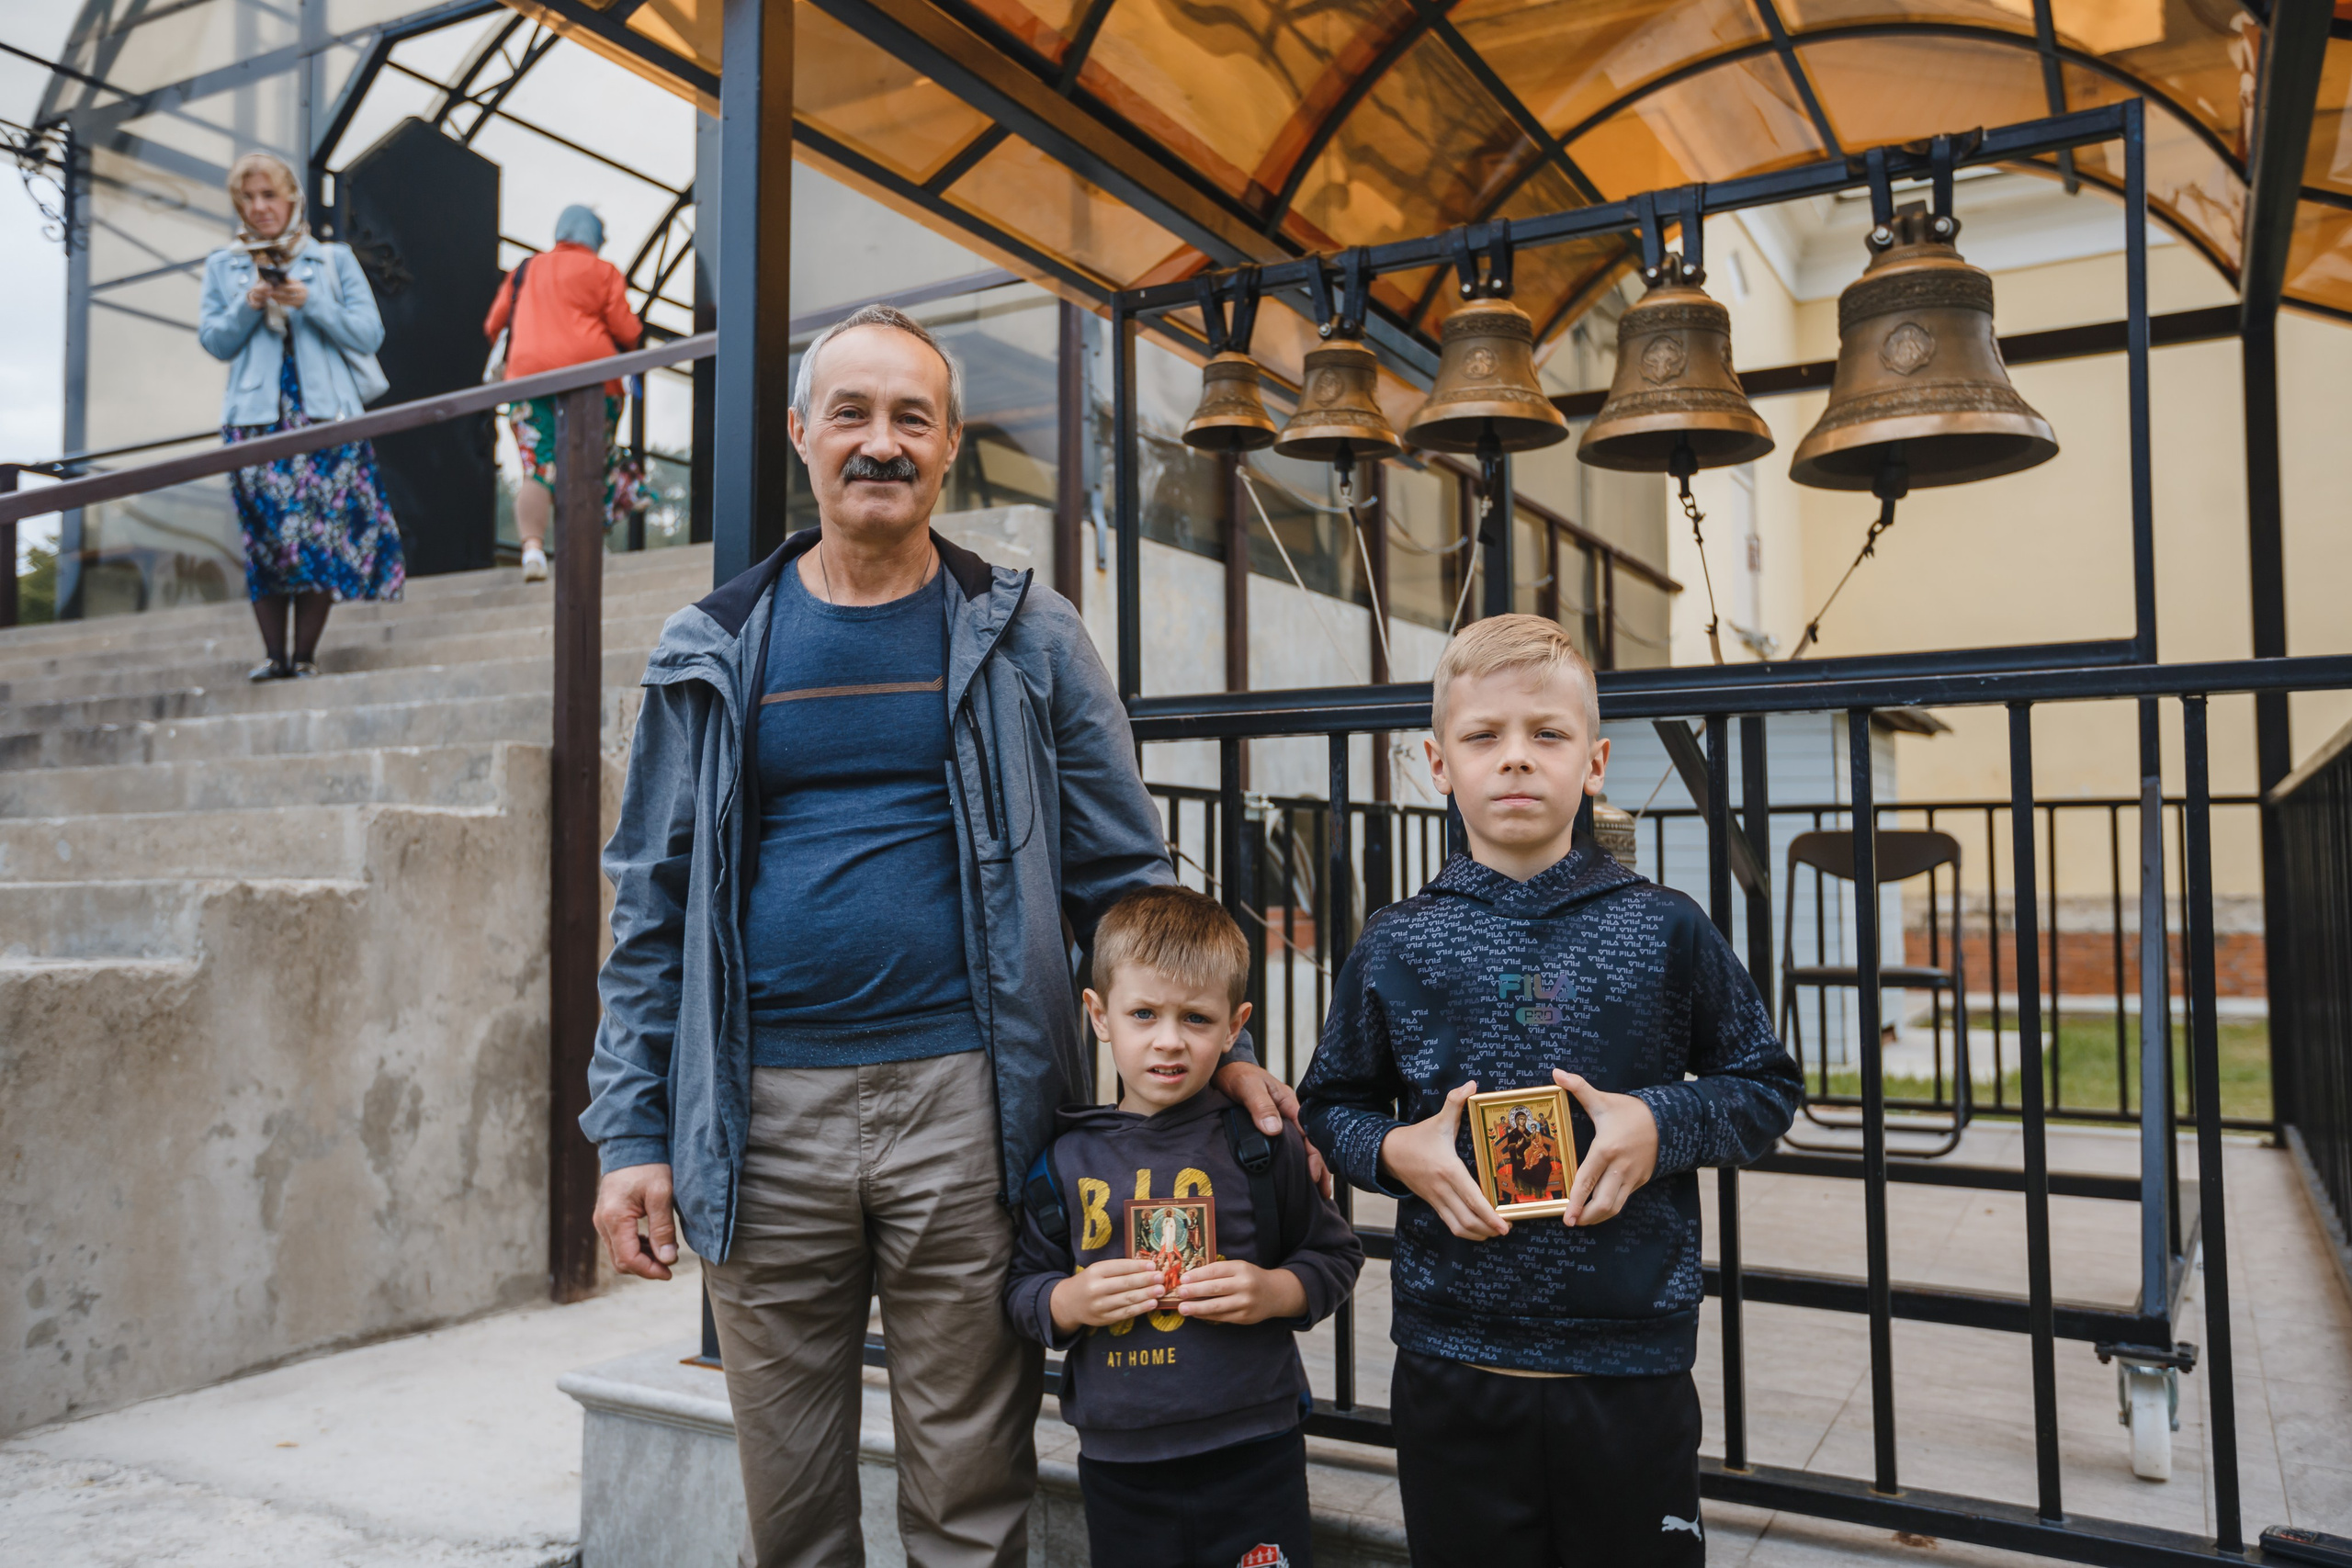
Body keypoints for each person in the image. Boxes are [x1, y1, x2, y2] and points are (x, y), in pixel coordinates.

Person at [581, 303, 1319, 1568]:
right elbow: (650, 903)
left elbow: (1124, 876)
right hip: (760, 1117)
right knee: (790, 1503)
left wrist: (1221, 1052)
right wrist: (633, 1132)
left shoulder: (1029, 635)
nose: (881, 441)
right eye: (852, 413)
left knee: (971, 1488)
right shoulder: (712, 646)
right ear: (802, 433)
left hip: (972, 1107)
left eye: (910, 417)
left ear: (948, 443)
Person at [1297, 614, 1803, 1568]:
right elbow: (1328, 1105)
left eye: (1547, 733)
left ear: (1595, 761)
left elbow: (1764, 1086)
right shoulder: (1397, 941)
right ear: (1437, 766)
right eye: (1483, 735)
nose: (1516, 757)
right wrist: (1395, 1151)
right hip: (1453, 1359)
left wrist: (1661, 1122)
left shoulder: (1666, 928)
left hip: (1629, 1363)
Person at [1004, 886, 1363, 1568]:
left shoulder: (1260, 1146)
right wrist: (1068, 1301)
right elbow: (1022, 1288)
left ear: (1234, 1026)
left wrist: (1274, 1291)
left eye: (1196, 1018)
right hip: (1121, 1463)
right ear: (1099, 1015)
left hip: (1255, 1447)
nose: (1168, 1040)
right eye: (1143, 1013)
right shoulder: (1063, 1162)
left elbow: (1335, 1255)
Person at [198, 151, 403, 681]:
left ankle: (305, 658)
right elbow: (215, 342)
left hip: (325, 418)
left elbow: (369, 333)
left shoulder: (333, 259)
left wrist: (309, 301)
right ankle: (275, 657)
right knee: (265, 538)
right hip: (254, 419)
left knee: (319, 535)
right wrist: (250, 302)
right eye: (248, 198)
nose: (259, 207)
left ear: (293, 198)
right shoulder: (224, 265)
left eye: (269, 195)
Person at [482, 205, 645, 581]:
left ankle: (532, 551)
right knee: (589, 465)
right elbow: (628, 331)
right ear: (594, 236)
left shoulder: (526, 270)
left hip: (529, 381)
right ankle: (589, 546)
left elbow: (494, 325)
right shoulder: (603, 271)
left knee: (537, 467)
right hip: (594, 382)